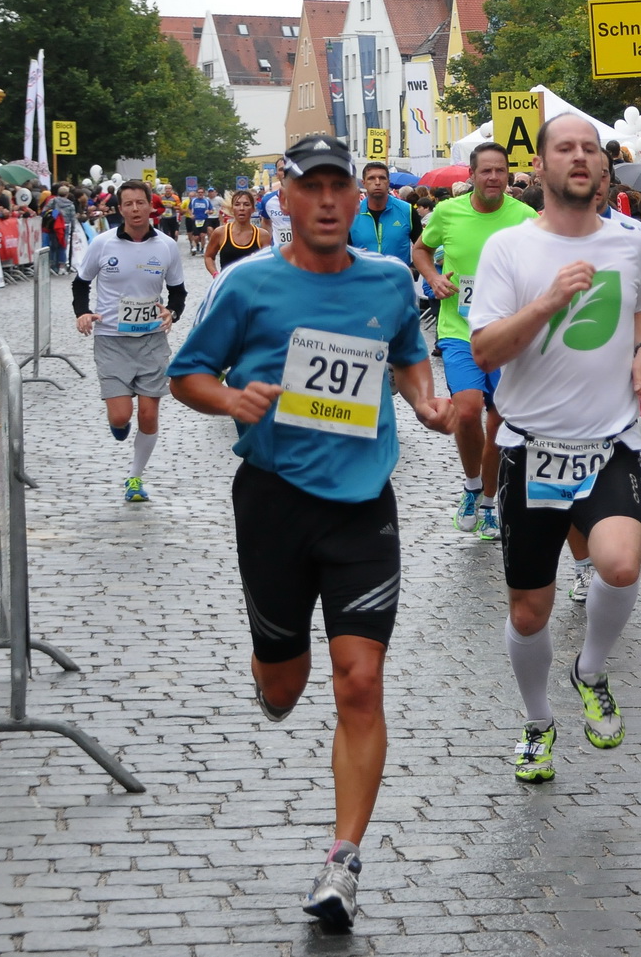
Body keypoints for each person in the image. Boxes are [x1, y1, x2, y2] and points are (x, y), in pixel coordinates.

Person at [168, 134, 457, 930]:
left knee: (359, 680)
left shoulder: (391, 280)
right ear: (285, 198)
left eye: (339, 185)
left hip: (363, 502)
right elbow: (186, 372)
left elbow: (405, 354)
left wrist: (426, 401)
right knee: (285, 684)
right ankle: (270, 671)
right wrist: (229, 401)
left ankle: (342, 862)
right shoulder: (247, 285)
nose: (329, 200)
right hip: (272, 500)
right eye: (313, 187)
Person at [466, 116, 641, 786]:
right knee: (530, 609)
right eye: (565, 148)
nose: (580, 156)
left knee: (619, 561)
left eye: (590, 148)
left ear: (603, 168)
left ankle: (591, 668)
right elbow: (485, 350)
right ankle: (536, 719)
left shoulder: (632, 239)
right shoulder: (508, 250)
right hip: (529, 447)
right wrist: (550, 300)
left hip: (609, 439)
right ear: (542, 167)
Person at [414, 141, 539, 538]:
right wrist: (432, 278)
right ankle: (471, 487)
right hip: (458, 331)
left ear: (507, 174)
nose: (493, 178)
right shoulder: (448, 213)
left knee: (500, 420)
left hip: (506, 335)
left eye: (500, 170)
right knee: (467, 412)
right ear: (471, 175)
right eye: (485, 170)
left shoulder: (525, 216)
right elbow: (421, 249)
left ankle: (488, 502)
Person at [72, 181, 187, 502]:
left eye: (140, 203)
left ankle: (134, 478)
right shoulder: (103, 243)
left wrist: (172, 313)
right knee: (121, 416)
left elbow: (178, 291)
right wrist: (83, 313)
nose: (135, 209)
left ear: (152, 206)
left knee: (149, 416)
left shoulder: (166, 246)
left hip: (152, 340)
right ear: (119, 209)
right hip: (111, 339)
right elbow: (80, 284)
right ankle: (119, 425)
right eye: (128, 204)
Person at [349, 161, 414, 266]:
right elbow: (340, 252)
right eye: (371, 178)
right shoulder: (351, 214)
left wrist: (413, 270)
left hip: (397, 280)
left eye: (382, 178)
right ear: (363, 183)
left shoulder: (407, 210)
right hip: (362, 279)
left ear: (388, 182)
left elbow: (424, 248)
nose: (377, 182)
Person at [205, 189, 272, 276]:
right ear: (232, 209)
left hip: (252, 286)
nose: (241, 208)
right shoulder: (221, 233)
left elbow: (267, 263)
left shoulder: (262, 235)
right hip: (228, 286)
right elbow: (209, 256)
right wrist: (215, 274)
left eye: (246, 204)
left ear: (253, 209)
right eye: (237, 204)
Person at [257, 158, 293, 248]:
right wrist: (267, 246)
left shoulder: (308, 198)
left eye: (288, 168)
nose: (285, 172)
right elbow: (266, 223)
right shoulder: (267, 200)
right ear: (276, 174)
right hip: (279, 252)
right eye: (281, 169)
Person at [188, 187, 211, 255]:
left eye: (201, 192)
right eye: (199, 192)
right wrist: (191, 215)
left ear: (204, 193)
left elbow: (212, 210)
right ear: (197, 193)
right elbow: (189, 209)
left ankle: (202, 249)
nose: (200, 194)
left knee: (203, 235)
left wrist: (209, 211)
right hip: (196, 220)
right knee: (196, 237)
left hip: (204, 219)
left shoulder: (206, 201)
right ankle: (196, 245)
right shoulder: (193, 201)